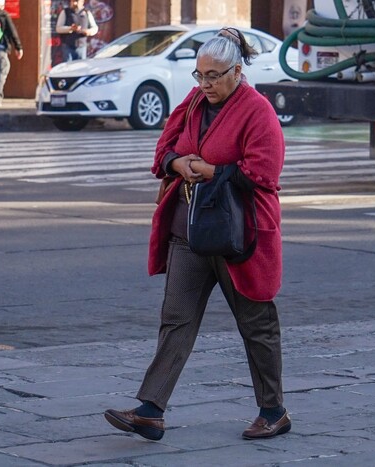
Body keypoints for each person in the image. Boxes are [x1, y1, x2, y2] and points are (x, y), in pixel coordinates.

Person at [104, 27, 289, 441]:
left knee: (256, 323)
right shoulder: (192, 103)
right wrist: (177, 163)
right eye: (199, 75)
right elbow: (163, 150)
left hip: (238, 234)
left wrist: (211, 171)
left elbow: (265, 172)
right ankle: (150, 410)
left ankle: (273, 410)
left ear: (237, 72)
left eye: (214, 76)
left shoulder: (257, 111)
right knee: (176, 318)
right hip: (188, 228)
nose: (205, 84)